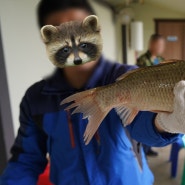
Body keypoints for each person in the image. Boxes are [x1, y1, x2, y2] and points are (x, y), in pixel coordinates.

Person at [0, 1, 184, 185]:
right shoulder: (36, 98)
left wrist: (163, 124)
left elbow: (141, 128)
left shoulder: (124, 76)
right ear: (47, 39)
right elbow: (25, 160)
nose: (75, 46)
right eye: (60, 34)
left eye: (80, 29)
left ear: (96, 30)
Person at [137, 34, 166, 157]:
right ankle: (142, 151)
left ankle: (148, 149)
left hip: (159, 96)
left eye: (162, 45)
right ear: (151, 44)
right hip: (144, 95)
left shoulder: (161, 59)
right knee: (144, 122)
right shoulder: (143, 60)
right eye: (158, 44)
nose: (160, 47)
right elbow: (137, 79)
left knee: (154, 122)